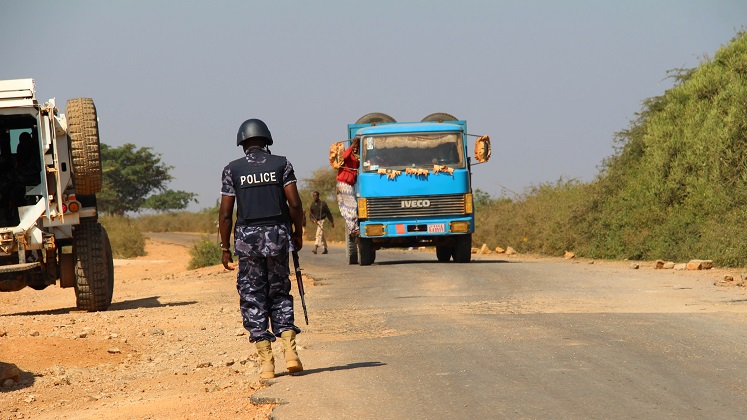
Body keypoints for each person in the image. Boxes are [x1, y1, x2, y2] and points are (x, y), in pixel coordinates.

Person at [219, 118, 305, 380]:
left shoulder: (232, 169)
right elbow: (295, 203)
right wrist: (297, 233)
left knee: (253, 295)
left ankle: (267, 364)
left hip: (248, 243)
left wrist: (225, 247)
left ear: (242, 142)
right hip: (278, 238)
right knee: (280, 291)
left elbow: (225, 213)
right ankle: (290, 354)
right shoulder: (282, 164)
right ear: (266, 140)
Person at [336, 138, 360, 237]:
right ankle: (354, 228)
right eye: (354, 147)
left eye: (356, 147)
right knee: (352, 206)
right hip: (344, 183)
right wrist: (352, 145)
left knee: (345, 207)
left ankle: (352, 228)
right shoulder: (348, 154)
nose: (355, 149)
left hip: (346, 184)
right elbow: (344, 155)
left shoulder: (355, 158)